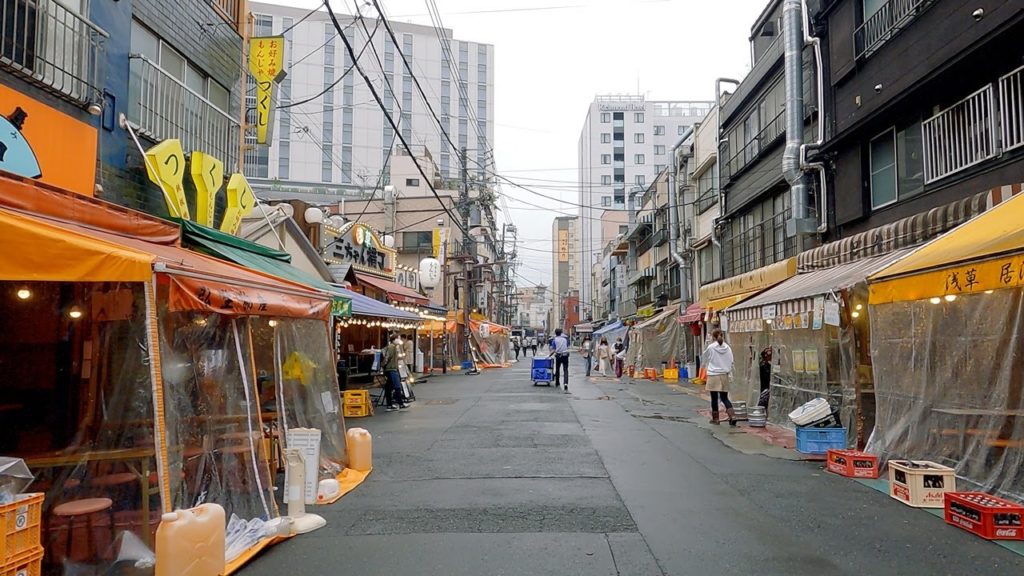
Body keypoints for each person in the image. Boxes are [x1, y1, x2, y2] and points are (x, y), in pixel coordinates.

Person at [702, 329, 736, 425]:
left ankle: (716, 419)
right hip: (724, 375)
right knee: (724, 398)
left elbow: (705, 359)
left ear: (713, 337)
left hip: (713, 375)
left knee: (714, 398)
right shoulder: (728, 348)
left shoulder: (711, 347)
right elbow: (731, 361)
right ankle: (732, 416)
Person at [382, 333, 409, 411]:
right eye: (398, 338)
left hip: (390, 369)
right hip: (391, 369)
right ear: (394, 339)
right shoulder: (392, 347)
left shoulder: (394, 347)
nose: (400, 340)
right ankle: (400, 404)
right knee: (397, 386)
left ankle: (389, 405)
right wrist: (383, 365)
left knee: (388, 387)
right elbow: (387, 357)